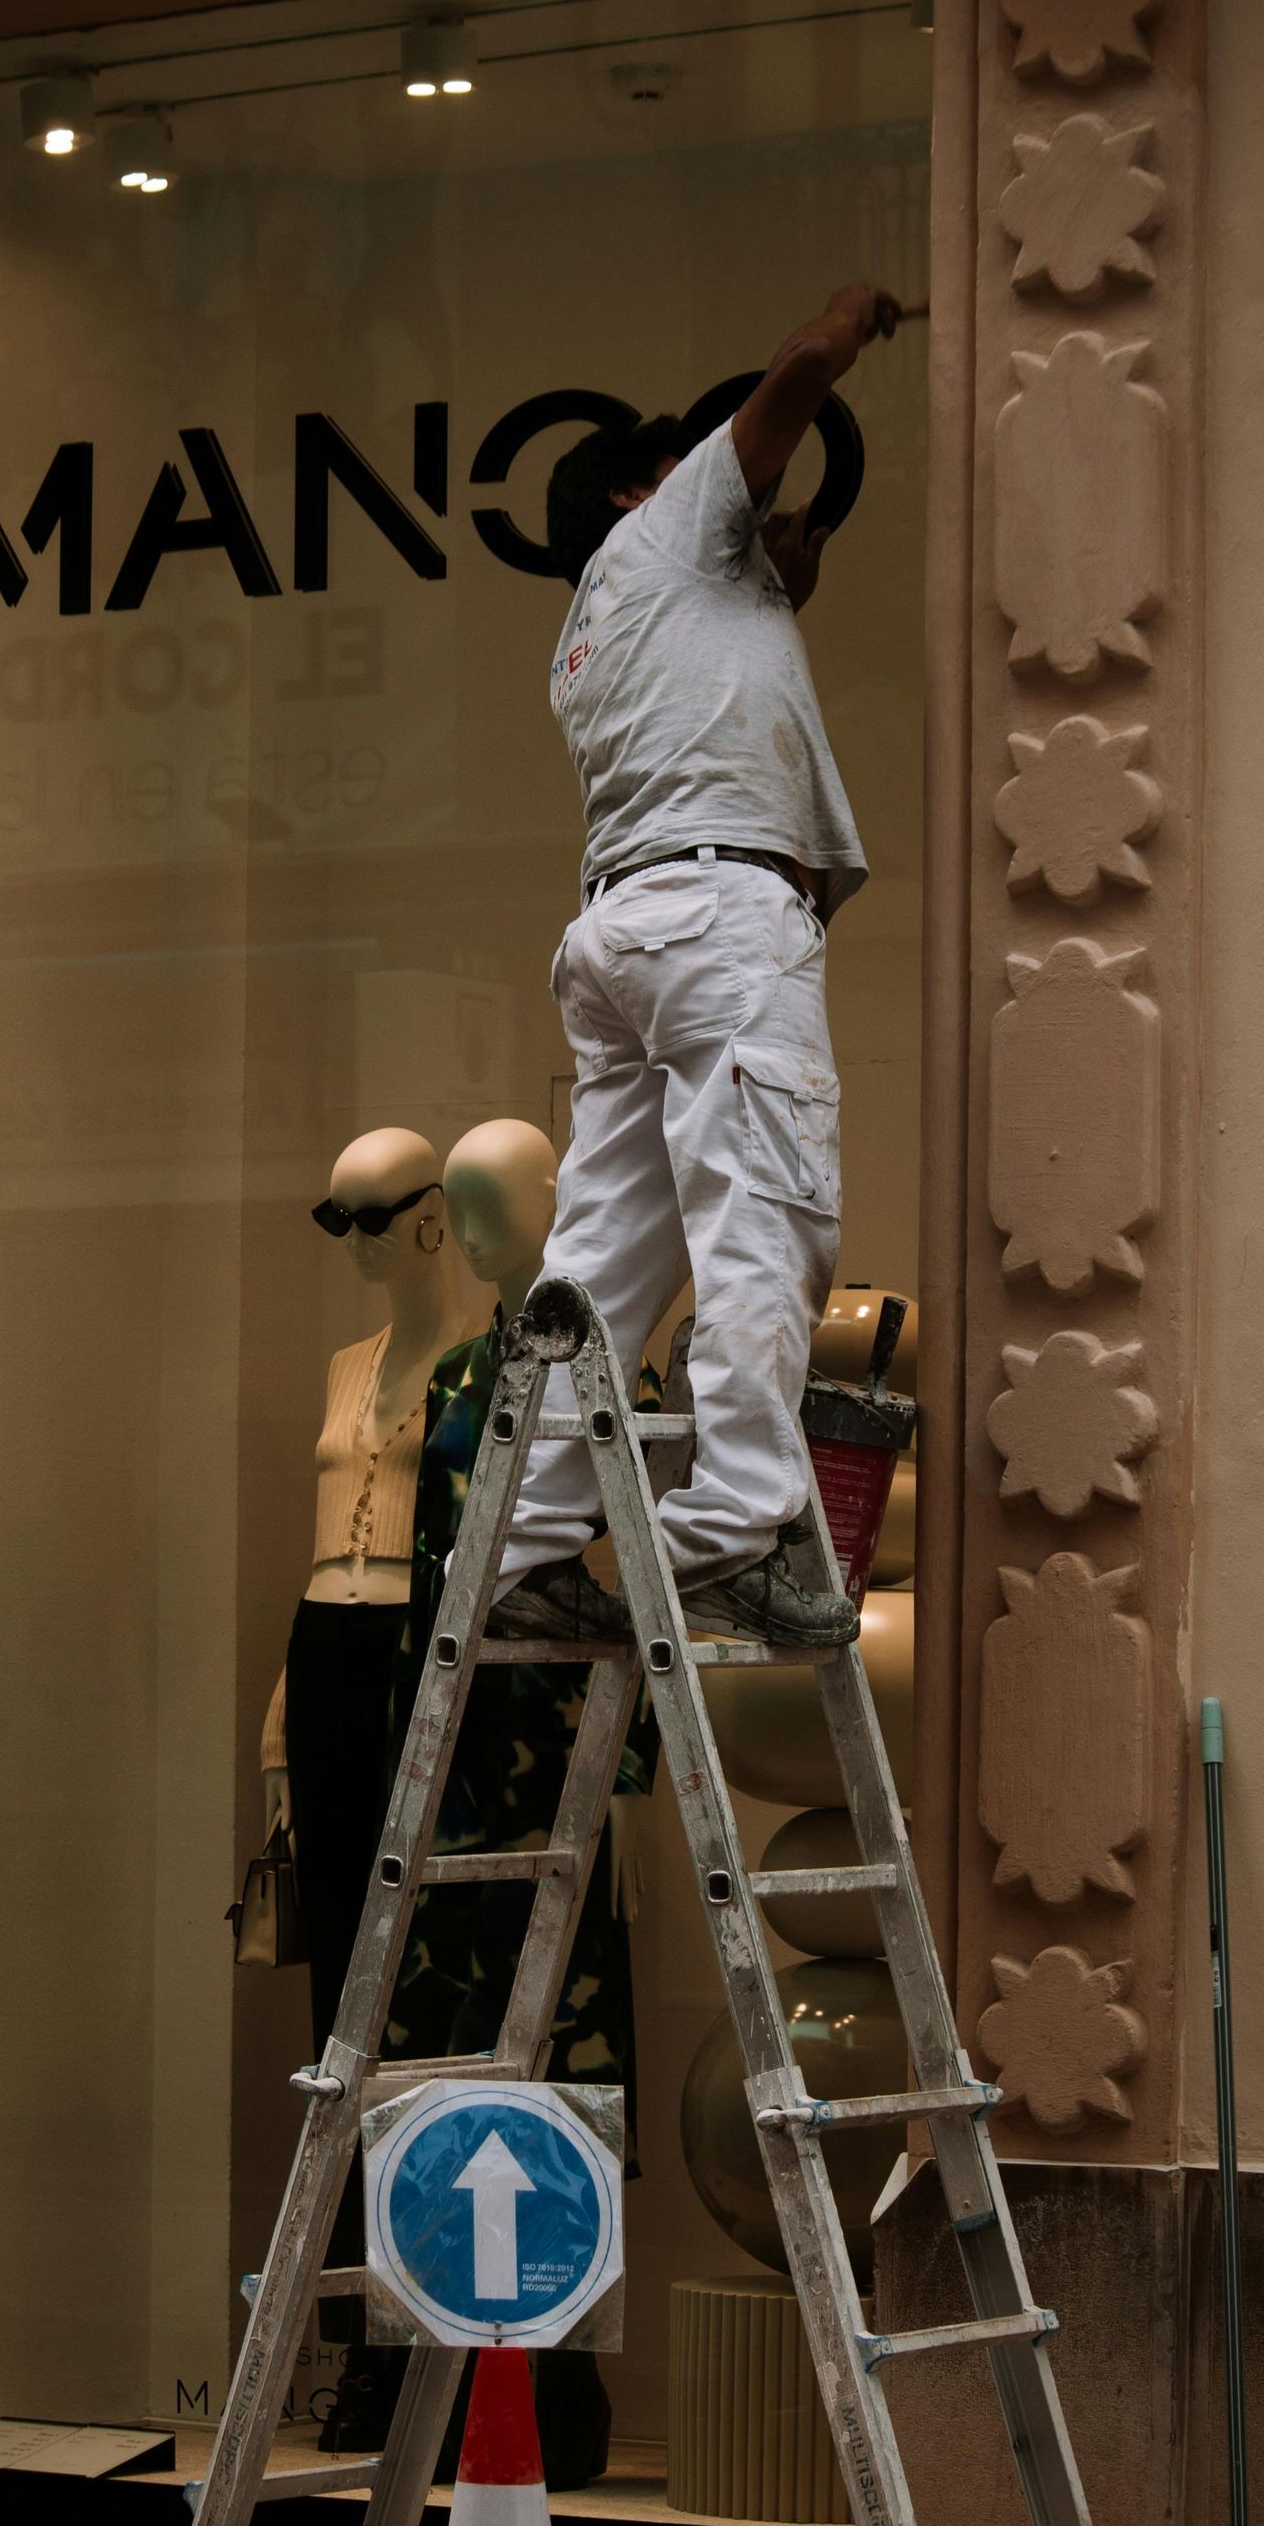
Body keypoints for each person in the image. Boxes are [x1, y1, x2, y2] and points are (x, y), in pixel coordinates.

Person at [492, 280, 903, 1650]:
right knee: (763, 1218)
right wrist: (847, 324)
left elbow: (736, 640)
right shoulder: (667, 527)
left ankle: (526, 1551)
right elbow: (786, 381)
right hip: (721, 922)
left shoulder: (588, 633)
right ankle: (732, 1530)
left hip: (625, 932)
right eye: (690, 468)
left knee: (602, 1259)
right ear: (635, 492)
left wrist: (781, 582)